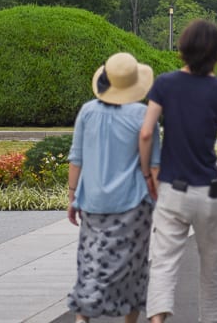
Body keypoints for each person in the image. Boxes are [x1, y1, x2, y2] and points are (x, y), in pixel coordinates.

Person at [139, 19, 217, 323]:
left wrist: (148, 174)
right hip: (208, 191)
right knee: (212, 266)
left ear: (182, 49)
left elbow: (146, 133)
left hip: (172, 187)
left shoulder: (165, 84)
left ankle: (157, 319)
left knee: (163, 262)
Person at [66, 52, 157, 323]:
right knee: (134, 267)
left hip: (92, 201)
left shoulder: (87, 111)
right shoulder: (143, 115)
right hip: (134, 202)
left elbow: (76, 157)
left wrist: (72, 195)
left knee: (92, 262)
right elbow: (153, 165)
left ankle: (83, 315)